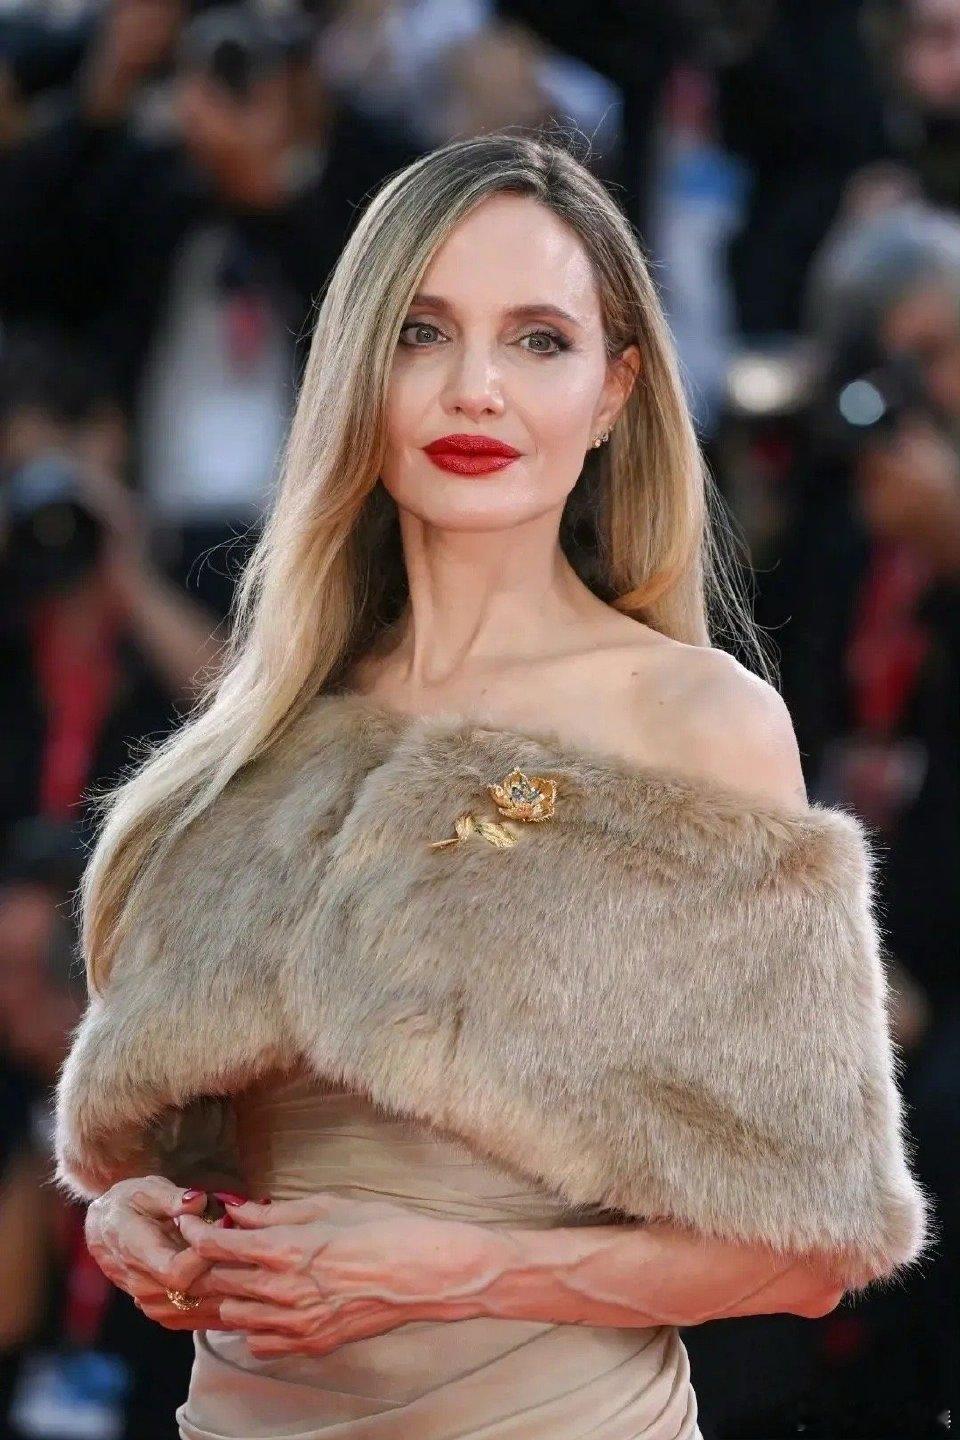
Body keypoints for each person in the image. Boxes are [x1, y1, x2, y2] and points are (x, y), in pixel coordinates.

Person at [52, 134, 930, 1440]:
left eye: (538, 340)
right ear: (359, 368)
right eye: (423, 333)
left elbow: (811, 1249)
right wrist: (141, 1219)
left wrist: (454, 1270)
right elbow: (176, 1157)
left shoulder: (696, 723)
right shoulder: (255, 739)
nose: (476, 389)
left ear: (615, 389)